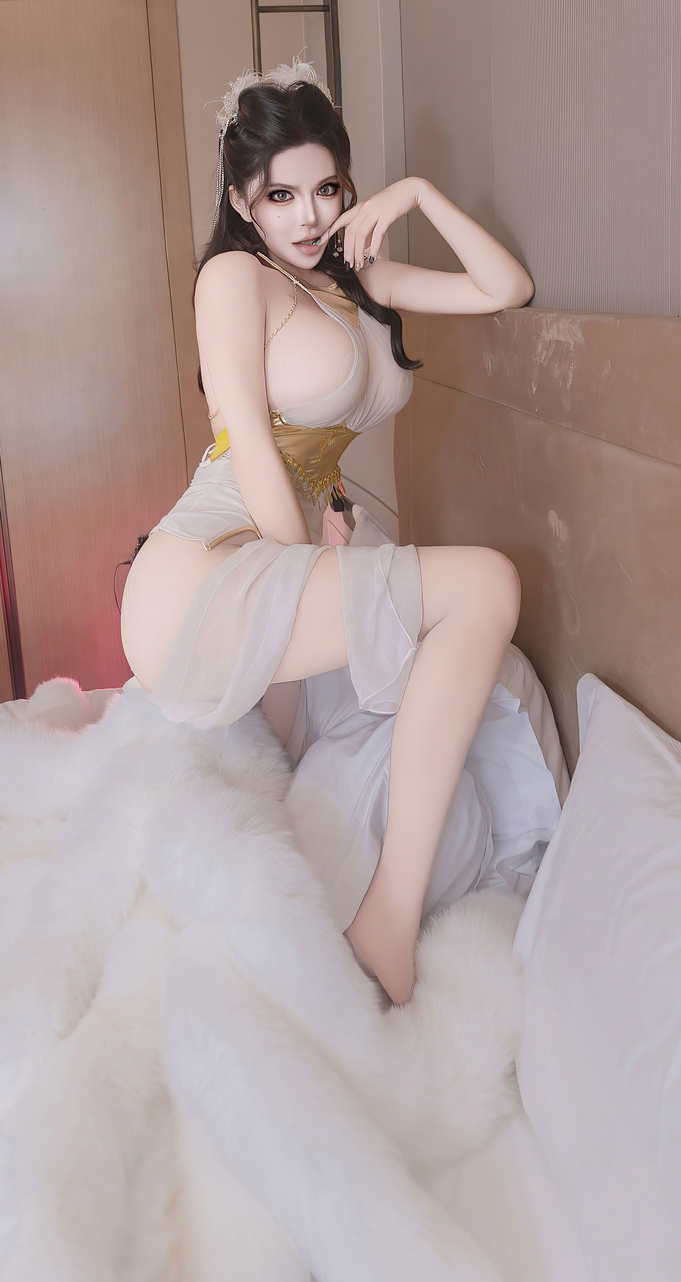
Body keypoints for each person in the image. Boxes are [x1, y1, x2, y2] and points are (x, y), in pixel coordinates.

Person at [120, 61, 535, 1006]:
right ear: (242, 201)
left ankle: (365, 916)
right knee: (488, 584)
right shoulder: (235, 277)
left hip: (282, 554)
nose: (307, 216)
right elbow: (250, 442)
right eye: (280, 195)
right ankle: (387, 920)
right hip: (204, 569)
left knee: (300, 772)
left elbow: (506, 287)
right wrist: (309, 562)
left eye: (327, 189)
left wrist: (417, 192)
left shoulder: (359, 280)